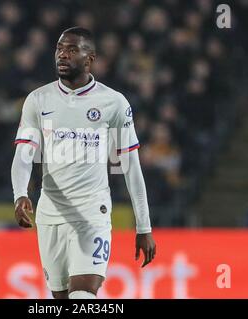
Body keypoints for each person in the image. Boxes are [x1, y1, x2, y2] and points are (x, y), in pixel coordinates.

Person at [11, 27, 156, 299]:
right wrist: (20, 194)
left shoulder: (113, 103)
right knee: (62, 298)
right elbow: (23, 155)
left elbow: (131, 167)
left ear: (90, 59)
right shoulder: (38, 100)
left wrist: (144, 227)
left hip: (92, 213)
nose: (62, 55)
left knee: (83, 296)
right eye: (59, 49)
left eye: (72, 49)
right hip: (50, 214)